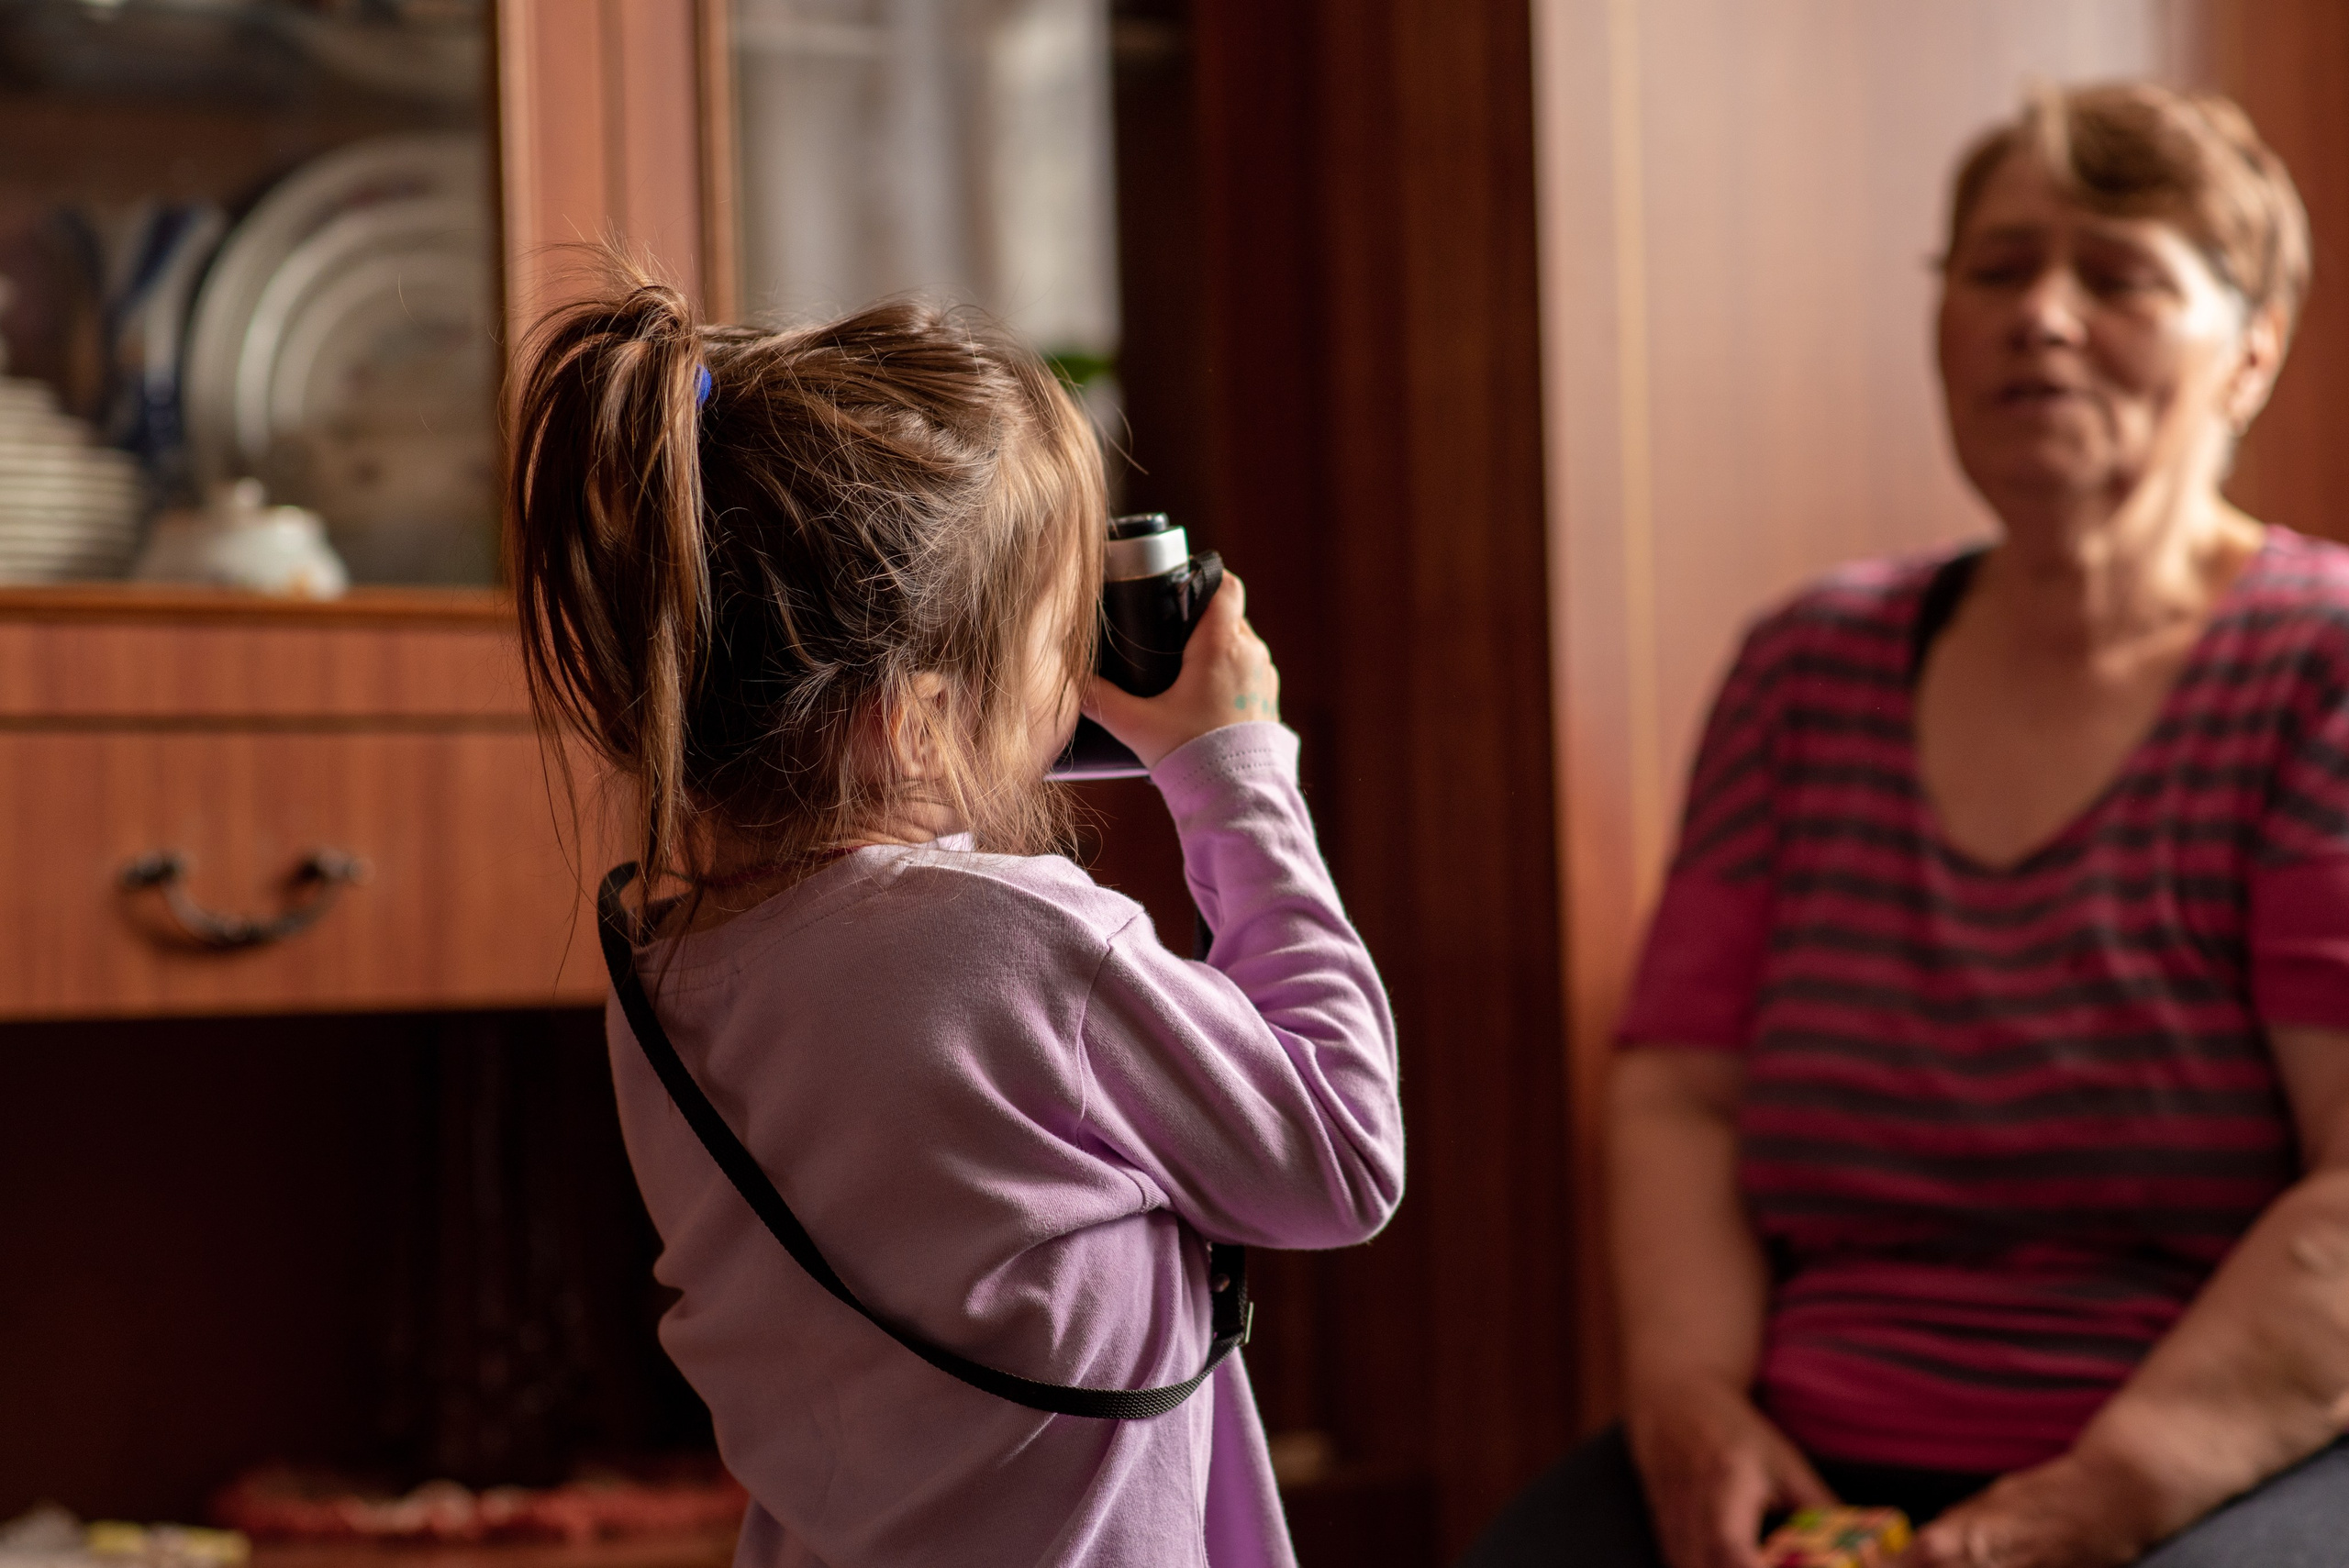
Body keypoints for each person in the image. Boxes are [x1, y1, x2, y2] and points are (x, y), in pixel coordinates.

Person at [1463, 82, 2349, 1568]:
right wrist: (1692, 1401)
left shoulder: (2321, 665)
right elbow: (1681, 1093)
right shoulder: (1807, 664)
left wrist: (2088, 1503)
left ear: (2254, 351)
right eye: (1997, 270)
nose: (2043, 317)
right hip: (1808, 1442)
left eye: (2121, 274)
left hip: (2210, 1460)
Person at [505, 268, 1404, 1568]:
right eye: (1055, 645)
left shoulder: (666, 977)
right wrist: (1234, 775)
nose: (1079, 677)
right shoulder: (1023, 948)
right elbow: (1342, 1148)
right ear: (911, 719)